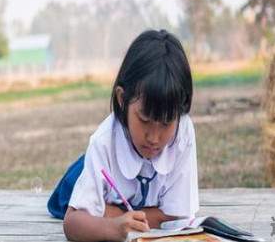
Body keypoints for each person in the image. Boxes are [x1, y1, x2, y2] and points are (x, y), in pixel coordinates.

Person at [47, 29, 198, 242]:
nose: (154, 138)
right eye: (144, 120)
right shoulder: (103, 142)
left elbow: (179, 214)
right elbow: (72, 223)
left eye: (166, 123)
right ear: (121, 98)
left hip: (121, 191)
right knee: (65, 196)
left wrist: (111, 214)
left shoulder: (183, 132)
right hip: (93, 171)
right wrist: (113, 228)